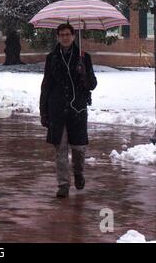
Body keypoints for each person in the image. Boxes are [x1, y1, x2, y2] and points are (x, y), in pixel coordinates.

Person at [39, 23, 97, 198]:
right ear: (58, 37)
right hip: (57, 110)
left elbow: (92, 85)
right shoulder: (52, 58)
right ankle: (63, 184)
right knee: (61, 150)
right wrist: (44, 111)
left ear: (73, 36)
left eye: (68, 34)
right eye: (61, 35)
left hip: (77, 109)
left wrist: (83, 73)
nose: (65, 37)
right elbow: (46, 85)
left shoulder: (84, 57)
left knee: (79, 149)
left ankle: (78, 173)